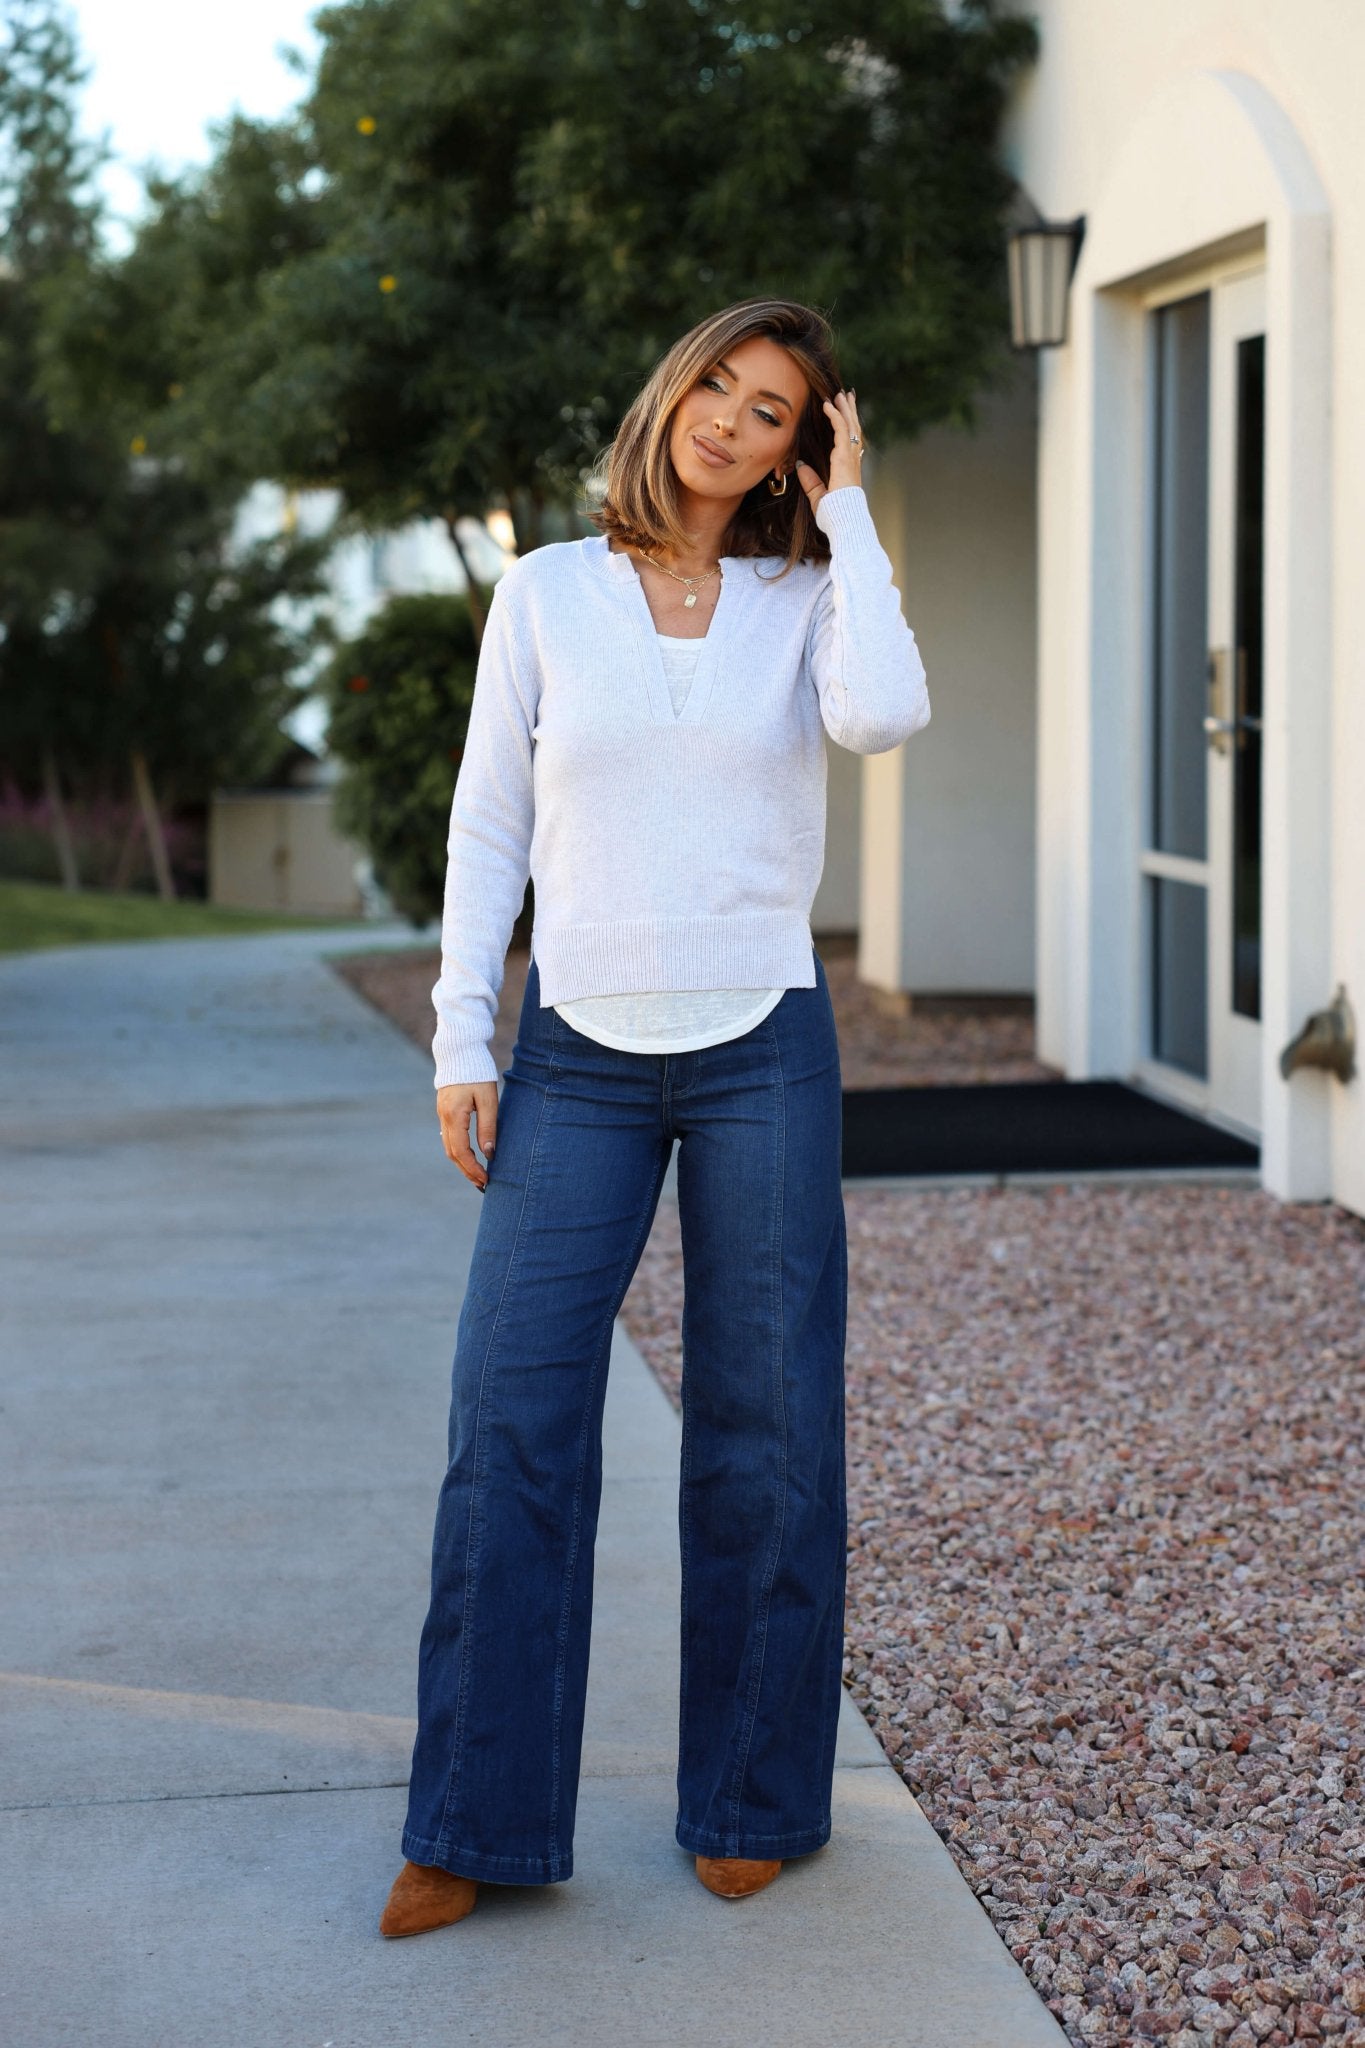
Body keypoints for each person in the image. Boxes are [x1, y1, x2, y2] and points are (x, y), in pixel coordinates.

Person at [379, 296, 930, 1938]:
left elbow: (883, 715)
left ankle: (753, 1797)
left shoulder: (811, 591)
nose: (732, 425)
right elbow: (489, 828)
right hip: (576, 1050)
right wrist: (457, 1036)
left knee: (768, 1433)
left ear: (797, 446)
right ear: (671, 389)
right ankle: (472, 1821)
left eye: (775, 414)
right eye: (720, 388)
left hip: (764, 1034)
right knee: (511, 1420)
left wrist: (851, 505)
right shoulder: (546, 590)